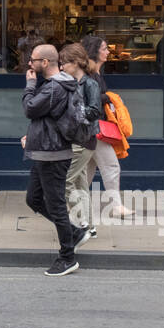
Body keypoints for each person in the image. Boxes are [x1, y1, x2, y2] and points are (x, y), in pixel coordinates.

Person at [22, 42, 94, 276]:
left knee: (56, 205)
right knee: (33, 199)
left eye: (33, 59)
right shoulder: (57, 86)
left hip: (53, 153)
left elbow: (30, 108)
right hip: (44, 150)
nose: (29, 64)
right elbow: (46, 119)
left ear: (44, 62)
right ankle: (74, 233)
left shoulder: (54, 87)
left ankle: (67, 257)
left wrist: (30, 85)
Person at [78, 34, 134, 219]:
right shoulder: (90, 74)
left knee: (88, 170)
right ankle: (116, 206)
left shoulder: (94, 72)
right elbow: (87, 98)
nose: (108, 52)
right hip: (95, 129)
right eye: (104, 48)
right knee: (111, 166)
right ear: (95, 51)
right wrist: (109, 98)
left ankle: (74, 205)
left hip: (92, 129)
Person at [63, 37, 105, 234]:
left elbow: (95, 111)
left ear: (76, 63)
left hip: (84, 139)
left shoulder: (90, 83)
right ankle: (88, 225)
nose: (62, 67)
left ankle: (79, 223)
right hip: (77, 138)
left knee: (65, 181)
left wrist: (74, 111)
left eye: (65, 63)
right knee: (80, 183)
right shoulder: (74, 82)